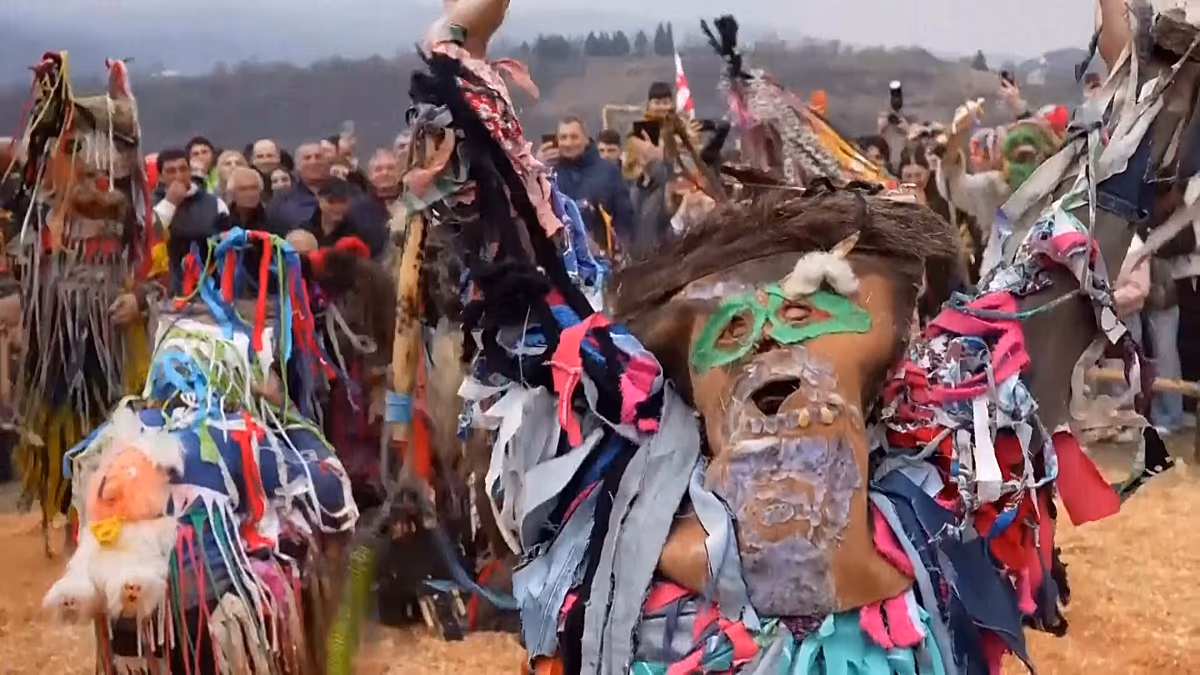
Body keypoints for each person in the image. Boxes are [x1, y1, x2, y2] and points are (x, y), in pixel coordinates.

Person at [539, 116, 634, 244]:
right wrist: (536, 169)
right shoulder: (548, 175)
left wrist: (621, 248)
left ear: (586, 139)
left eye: (574, 137)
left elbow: (625, 216)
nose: (568, 143)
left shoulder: (608, 171)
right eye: (563, 137)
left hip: (602, 255)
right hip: (563, 255)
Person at [155, 148, 232, 288]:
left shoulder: (215, 204)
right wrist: (170, 202)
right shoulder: (151, 205)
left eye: (183, 169)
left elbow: (228, 246)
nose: (179, 176)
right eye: (171, 171)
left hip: (209, 288)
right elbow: (151, 236)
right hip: (166, 289)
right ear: (160, 177)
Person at [342, 148, 401, 258]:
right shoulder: (355, 210)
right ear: (370, 175)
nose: (385, 173)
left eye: (391, 168)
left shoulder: (414, 204)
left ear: (401, 172)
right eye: (378, 169)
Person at [269, 141, 328, 232]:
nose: (314, 162)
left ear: (327, 162)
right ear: (297, 166)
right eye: (307, 158)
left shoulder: (349, 193)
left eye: (318, 157)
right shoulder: (280, 203)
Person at [227, 167, 281, 236]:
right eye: (243, 189)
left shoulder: (273, 219)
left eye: (254, 188)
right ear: (232, 193)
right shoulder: (223, 221)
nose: (250, 194)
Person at [303, 177, 356, 248]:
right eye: (331, 201)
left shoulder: (354, 236)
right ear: (320, 201)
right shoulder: (305, 231)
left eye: (343, 201)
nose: (338, 207)